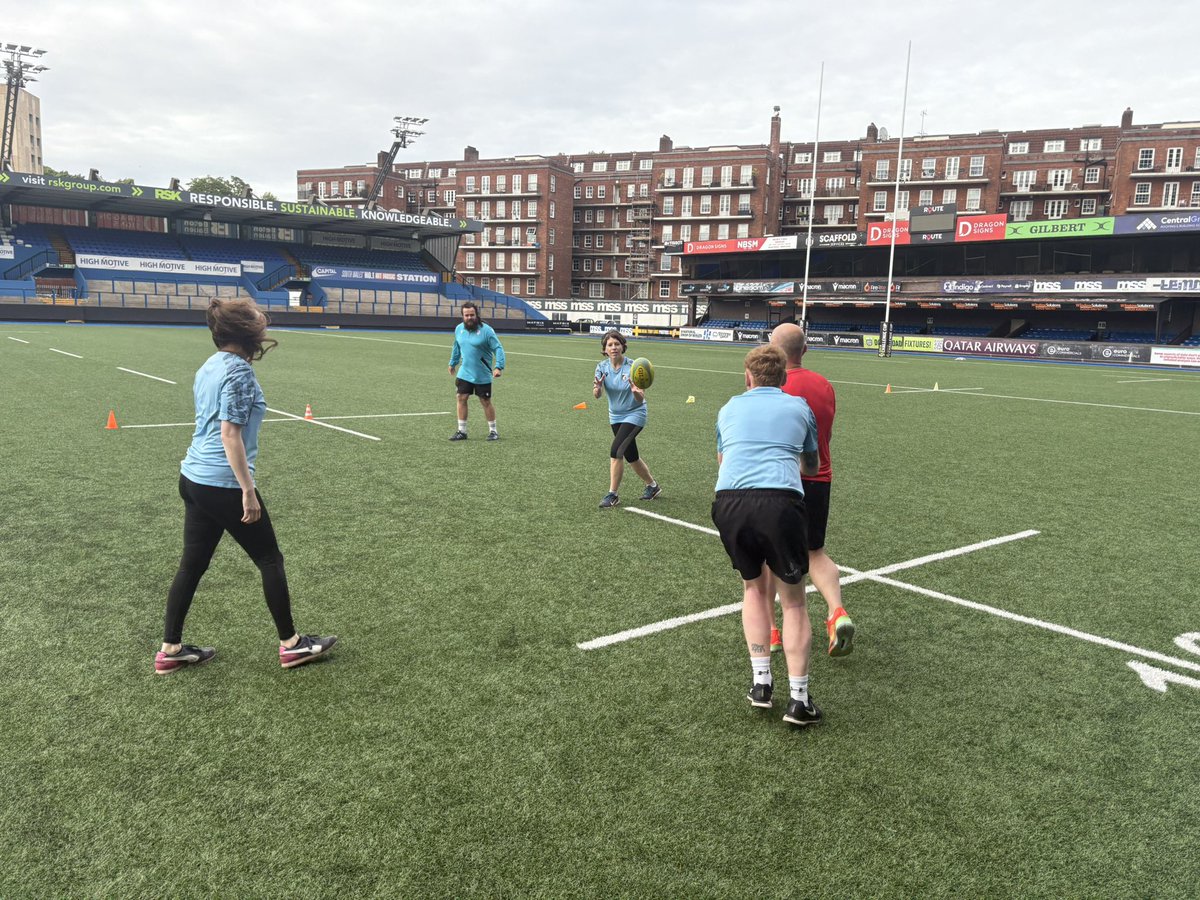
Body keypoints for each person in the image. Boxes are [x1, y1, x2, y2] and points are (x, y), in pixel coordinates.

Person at [155, 298, 337, 675]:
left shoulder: (210, 365)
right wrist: (248, 489)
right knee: (269, 558)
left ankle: (170, 650)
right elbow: (229, 434)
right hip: (222, 482)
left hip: (193, 478)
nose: (264, 329)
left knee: (192, 565)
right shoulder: (238, 372)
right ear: (246, 333)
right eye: (258, 323)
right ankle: (291, 645)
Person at [712, 344, 822, 726]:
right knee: (793, 602)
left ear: (748, 377)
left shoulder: (728, 408)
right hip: (780, 503)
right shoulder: (798, 407)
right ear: (784, 377)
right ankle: (799, 700)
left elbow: (723, 460)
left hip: (729, 502)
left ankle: (761, 684)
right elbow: (813, 463)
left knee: (754, 589)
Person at [767, 321, 856, 657]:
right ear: (805, 350)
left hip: (781, 481)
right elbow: (825, 437)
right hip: (819, 477)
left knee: (768, 557)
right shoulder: (824, 385)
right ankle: (837, 612)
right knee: (814, 553)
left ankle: (773, 631)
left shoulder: (771, 386)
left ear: (773, 350)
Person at [592, 329, 661, 509]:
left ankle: (612, 495)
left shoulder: (633, 367)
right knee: (631, 456)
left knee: (616, 451)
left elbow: (640, 398)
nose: (614, 347)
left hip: (635, 414)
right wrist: (598, 389)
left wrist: (637, 393)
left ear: (623, 346)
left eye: (617, 344)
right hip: (615, 416)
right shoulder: (601, 367)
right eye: (610, 345)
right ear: (605, 349)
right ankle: (652, 486)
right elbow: (596, 395)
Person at [448, 301, 506, 441]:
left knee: (485, 401)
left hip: (482, 373)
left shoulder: (486, 330)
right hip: (465, 371)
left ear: (476, 314)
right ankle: (462, 431)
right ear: (462, 316)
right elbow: (457, 346)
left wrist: (498, 366)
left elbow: (498, 348)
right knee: (461, 397)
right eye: (466, 315)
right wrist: (453, 362)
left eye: (472, 315)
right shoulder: (459, 329)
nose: (469, 318)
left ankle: (493, 431)